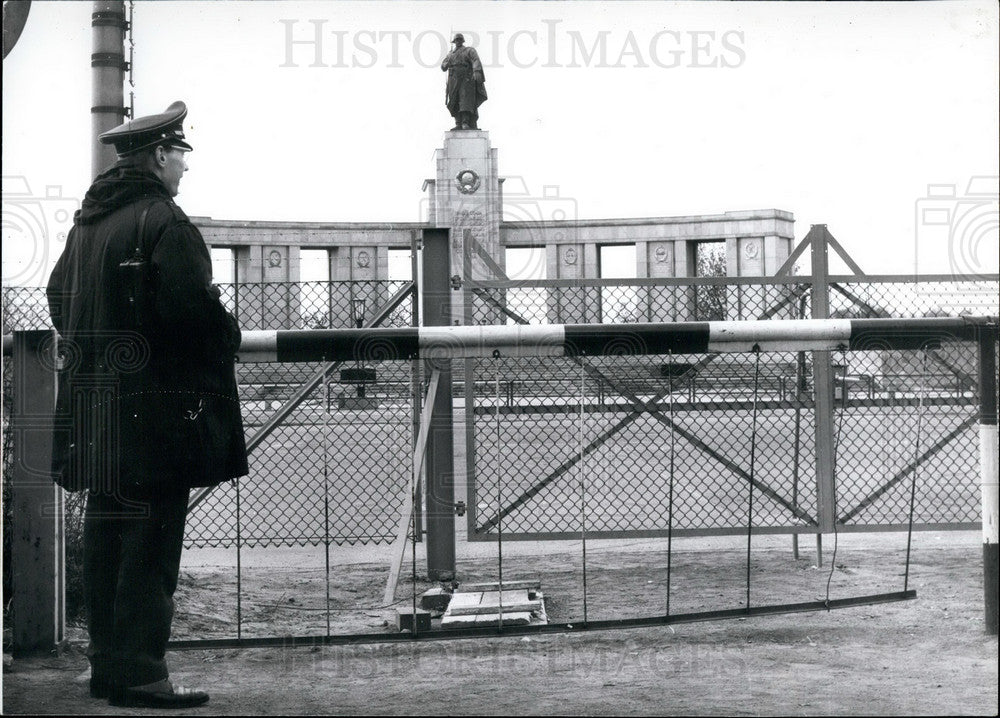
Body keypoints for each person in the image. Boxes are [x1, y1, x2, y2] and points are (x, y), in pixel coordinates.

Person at [46, 101, 248, 709]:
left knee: (108, 540)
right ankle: (141, 676)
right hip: (155, 418)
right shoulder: (165, 221)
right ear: (160, 154)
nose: (184, 168)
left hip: (97, 414)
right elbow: (191, 314)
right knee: (150, 545)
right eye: (181, 156)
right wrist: (228, 333)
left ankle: (109, 667)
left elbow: (59, 299)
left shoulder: (88, 225)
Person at [441, 33, 487, 130]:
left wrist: (477, 71)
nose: (458, 41)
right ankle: (458, 123)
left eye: (459, 40)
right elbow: (443, 66)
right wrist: (446, 63)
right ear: (454, 41)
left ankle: (465, 122)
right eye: (456, 40)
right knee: (454, 100)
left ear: (462, 41)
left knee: (465, 100)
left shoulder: (469, 50)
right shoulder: (450, 54)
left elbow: (475, 60)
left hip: (466, 79)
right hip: (453, 79)